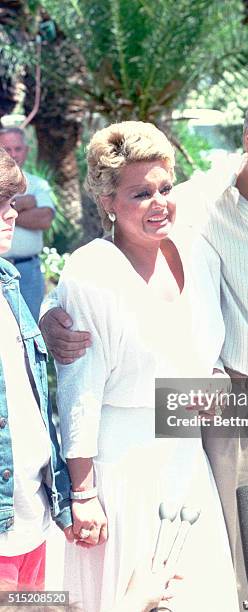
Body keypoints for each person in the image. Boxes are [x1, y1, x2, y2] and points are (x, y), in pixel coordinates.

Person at [40, 87, 248, 612]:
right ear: (247, 142)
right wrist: (49, 316)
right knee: (234, 566)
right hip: (232, 405)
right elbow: (105, 267)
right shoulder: (193, 203)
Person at [49, 121, 239, 612]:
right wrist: (84, 492)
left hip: (186, 462)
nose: (159, 203)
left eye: (165, 188)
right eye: (140, 194)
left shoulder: (198, 253)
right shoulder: (91, 273)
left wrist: (213, 379)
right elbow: (80, 392)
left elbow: (206, 350)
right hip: (122, 472)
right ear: (108, 202)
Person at [0, 147, 73, 591]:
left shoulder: (9, 285)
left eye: (10, 201)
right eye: (0, 203)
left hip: (33, 521)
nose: (11, 214)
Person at [0, 127, 55, 321]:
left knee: (30, 331)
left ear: (26, 150)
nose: (13, 154)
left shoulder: (38, 184)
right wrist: (25, 203)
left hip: (28, 271)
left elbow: (45, 219)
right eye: (7, 149)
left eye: (18, 148)